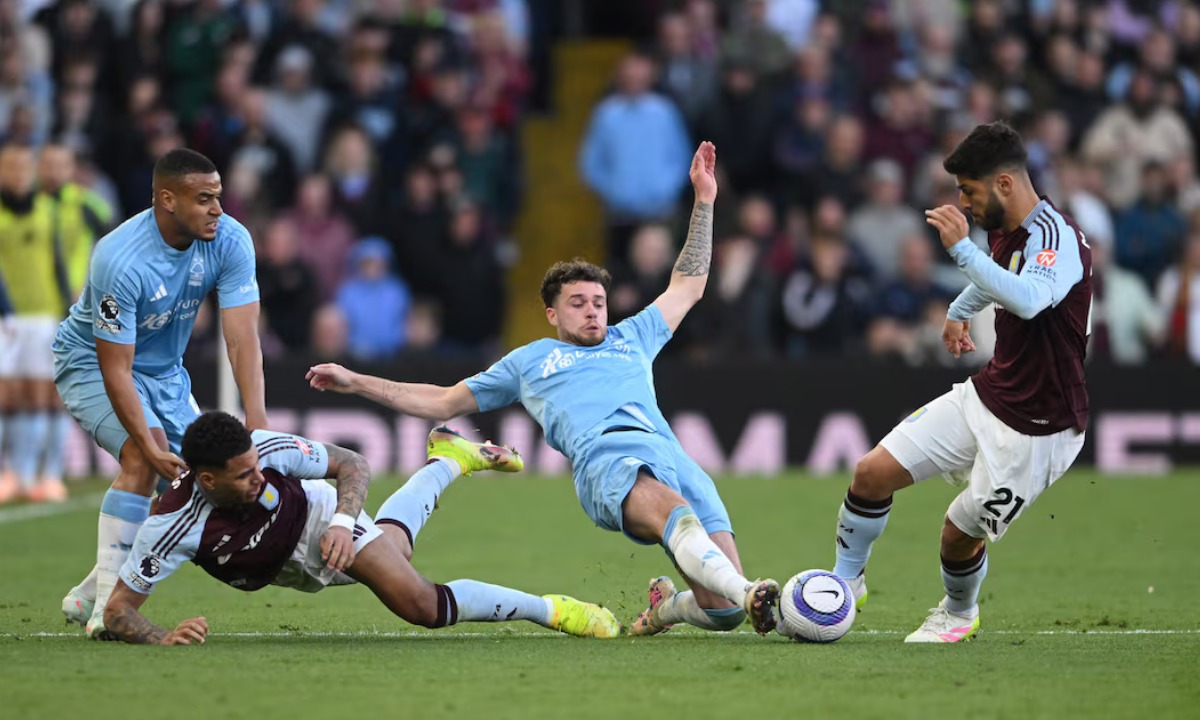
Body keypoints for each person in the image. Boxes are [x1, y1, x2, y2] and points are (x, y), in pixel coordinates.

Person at [309, 142, 782, 637]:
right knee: (695, 539)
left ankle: (665, 607)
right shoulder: (531, 360)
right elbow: (443, 400)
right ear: (553, 314)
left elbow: (688, 285)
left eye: (598, 301)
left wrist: (704, 201)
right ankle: (751, 591)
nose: (593, 310)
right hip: (607, 461)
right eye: (578, 303)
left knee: (722, 612)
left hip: (673, 458)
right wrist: (356, 381)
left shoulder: (633, 335)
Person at [832, 121, 1091, 643]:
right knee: (871, 472)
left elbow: (1028, 297)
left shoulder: (1056, 239)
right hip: (990, 394)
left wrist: (959, 252)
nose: (965, 204)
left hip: (1039, 429)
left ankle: (958, 611)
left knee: (957, 534)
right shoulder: (1003, 227)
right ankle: (842, 585)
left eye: (969, 191)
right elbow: (999, 271)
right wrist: (959, 309)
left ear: (1003, 184)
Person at [102, 411, 621, 644]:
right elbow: (119, 612)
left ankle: (553, 610)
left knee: (418, 603)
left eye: (256, 464)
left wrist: (344, 522)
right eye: (244, 476)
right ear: (208, 479)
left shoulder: (268, 449)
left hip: (320, 517)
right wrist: (162, 637)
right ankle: (450, 460)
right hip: (289, 568)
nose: (258, 473)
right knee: (396, 547)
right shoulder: (172, 525)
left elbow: (351, 463)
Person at [52, 148, 267, 640]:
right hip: (91, 362)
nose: (218, 208)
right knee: (141, 460)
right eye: (204, 198)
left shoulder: (230, 240)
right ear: (167, 200)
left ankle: (93, 587)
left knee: (198, 488)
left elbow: (242, 338)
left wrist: (256, 418)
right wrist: (148, 443)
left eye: (219, 196)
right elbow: (115, 367)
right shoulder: (118, 258)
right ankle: (107, 611)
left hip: (167, 374)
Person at [0, 143, 70, 503]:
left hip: (44, 314)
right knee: (8, 396)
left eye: (23, 167)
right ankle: (13, 474)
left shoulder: (47, 209)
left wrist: (67, 309)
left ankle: (48, 475)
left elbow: (57, 261)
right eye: (11, 166)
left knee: (46, 396)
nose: (18, 173)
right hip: (6, 317)